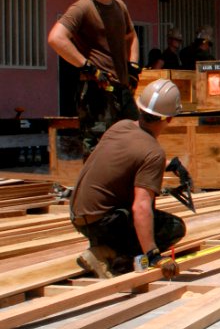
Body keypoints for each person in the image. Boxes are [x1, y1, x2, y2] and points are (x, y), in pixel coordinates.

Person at [70, 79, 185, 279]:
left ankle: (103, 247)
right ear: (169, 119)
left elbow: (128, 157)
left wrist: (169, 164)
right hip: (105, 223)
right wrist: (153, 255)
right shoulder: (153, 152)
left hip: (79, 215)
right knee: (174, 228)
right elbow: (141, 206)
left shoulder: (120, 127)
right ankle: (111, 254)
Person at [47, 0, 141, 159]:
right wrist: (87, 66)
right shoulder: (82, 8)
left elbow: (131, 35)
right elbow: (56, 38)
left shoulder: (119, 6)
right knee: (99, 153)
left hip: (121, 90)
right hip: (97, 91)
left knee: (136, 143)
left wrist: (133, 65)